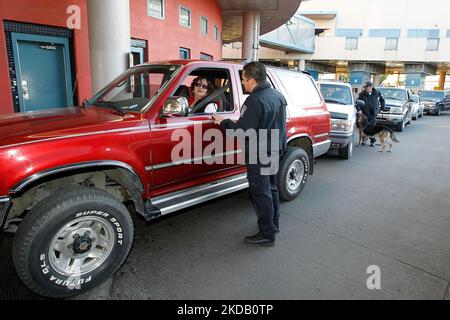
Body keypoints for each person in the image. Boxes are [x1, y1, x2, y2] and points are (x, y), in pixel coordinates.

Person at [212, 62, 287, 247]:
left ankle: (267, 234)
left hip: (259, 153)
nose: (243, 83)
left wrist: (223, 122)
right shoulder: (277, 95)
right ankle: (274, 224)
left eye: (244, 80)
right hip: (274, 149)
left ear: (252, 80)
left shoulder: (254, 100)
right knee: (271, 189)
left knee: (261, 193)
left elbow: (242, 131)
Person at [356, 81, 385, 146]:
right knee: (364, 128)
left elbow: (382, 100)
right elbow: (357, 103)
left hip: (373, 114)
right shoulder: (362, 94)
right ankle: (363, 139)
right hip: (365, 115)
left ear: (370, 87)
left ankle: (373, 141)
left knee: (373, 128)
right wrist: (359, 110)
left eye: (366, 87)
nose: (365, 89)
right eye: (365, 88)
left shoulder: (377, 93)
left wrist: (382, 108)